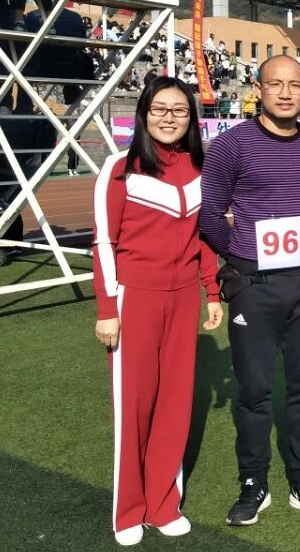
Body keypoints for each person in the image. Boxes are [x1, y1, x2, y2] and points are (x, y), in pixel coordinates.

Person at [199, 55, 300, 526]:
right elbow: (210, 215)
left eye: (294, 85)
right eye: (275, 84)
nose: (285, 93)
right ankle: (253, 481)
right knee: (254, 390)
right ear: (257, 90)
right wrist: (243, 251)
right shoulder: (231, 145)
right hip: (252, 284)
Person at [92, 76, 223, 546]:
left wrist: (212, 292)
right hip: (135, 299)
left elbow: (204, 238)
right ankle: (128, 511)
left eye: (179, 110)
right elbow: (103, 242)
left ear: (191, 118)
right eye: (160, 109)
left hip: (183, 299)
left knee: (175, 403)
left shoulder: (202, 168)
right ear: (145, 113)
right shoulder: (119, 168)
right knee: (135, 405)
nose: (169, 118)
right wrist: (107, 307)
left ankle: (163, 503)